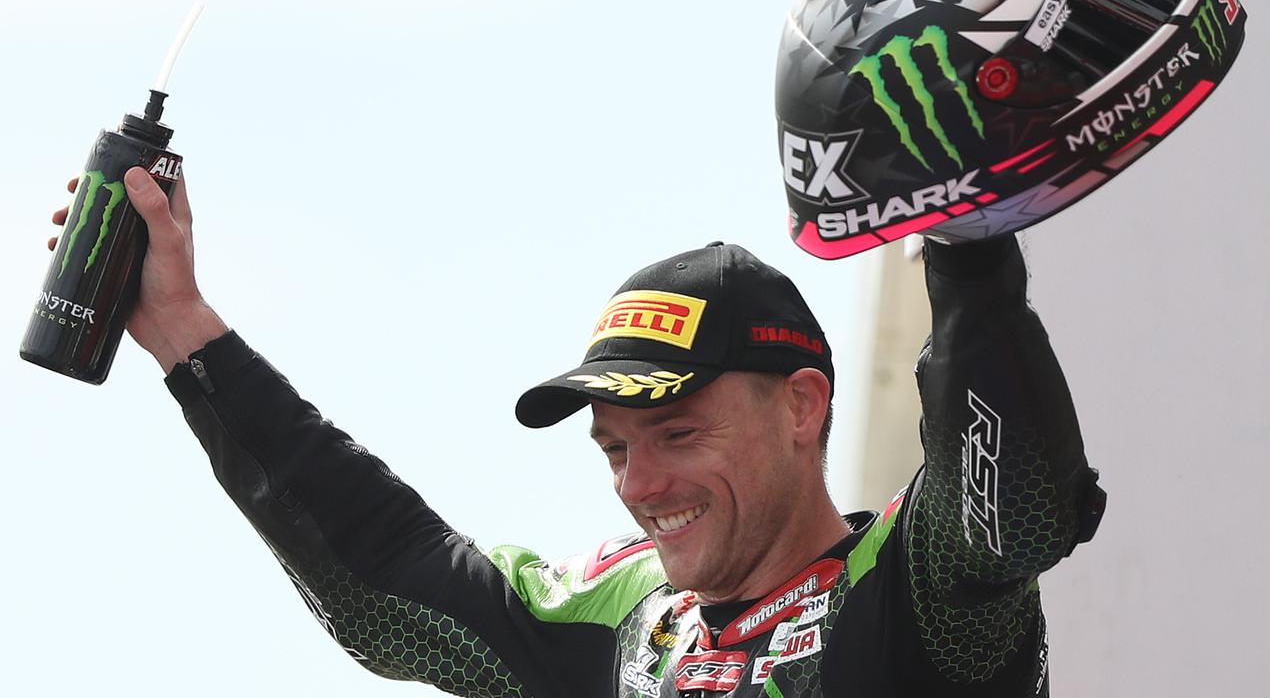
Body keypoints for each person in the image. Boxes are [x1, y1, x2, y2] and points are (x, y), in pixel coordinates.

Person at [45, 163, 1104, 697]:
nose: (639, 484)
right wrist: (185, 334)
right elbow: (385, 585)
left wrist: (965, 235)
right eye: (612, 448)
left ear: (802, 405)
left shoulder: (910, 592)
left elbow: (1013, 506)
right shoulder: (627, 616)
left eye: (678, 434)